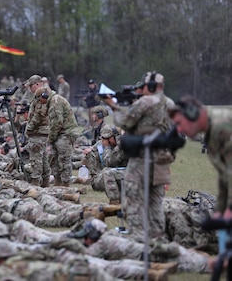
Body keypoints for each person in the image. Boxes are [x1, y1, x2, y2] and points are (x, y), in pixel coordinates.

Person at [102, 71, 174, 242]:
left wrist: (113, 106)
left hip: (142, 160)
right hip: (162, 160)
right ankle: (158, 240)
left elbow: (125, 122)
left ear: (150, 86)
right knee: (156, 203)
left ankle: (137, 239)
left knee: (134, 201)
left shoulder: (146, 102)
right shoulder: (170, 103)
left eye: (144, 86)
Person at [168, 95, 232, 257]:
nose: (179, 130)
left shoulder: (221, 127)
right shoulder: (211, 134)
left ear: (191, 114)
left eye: (179, 124)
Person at [69, 218, 211, 274]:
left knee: (206, 266)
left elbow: (84, 258)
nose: (85, 240)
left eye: (86, 237)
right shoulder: (112, 235)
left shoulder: (101, 244)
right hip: (161, 249)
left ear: (93, 236)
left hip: (158, 257)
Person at [35, 86, 78, 186]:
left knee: (63, 160)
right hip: (59, 133)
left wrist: (50, 139)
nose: (40, 102)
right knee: (54, 159)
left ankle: (66, 184)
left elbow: (57, 123)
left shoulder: (55, 103)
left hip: (65, 133)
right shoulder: (53, 101)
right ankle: (58, 182)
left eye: (39, 98)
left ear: (44, 96)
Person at [24, 75, 51, 187]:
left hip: (38, 131)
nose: (30, 89)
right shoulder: (43, 93)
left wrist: (29, 128)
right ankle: (45, 181)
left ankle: (36, 182)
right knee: (43, 157)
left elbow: (39, 113)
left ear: (36, 84)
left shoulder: (42, 94)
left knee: (36, 158)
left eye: (31, 86)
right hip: (41, 131)